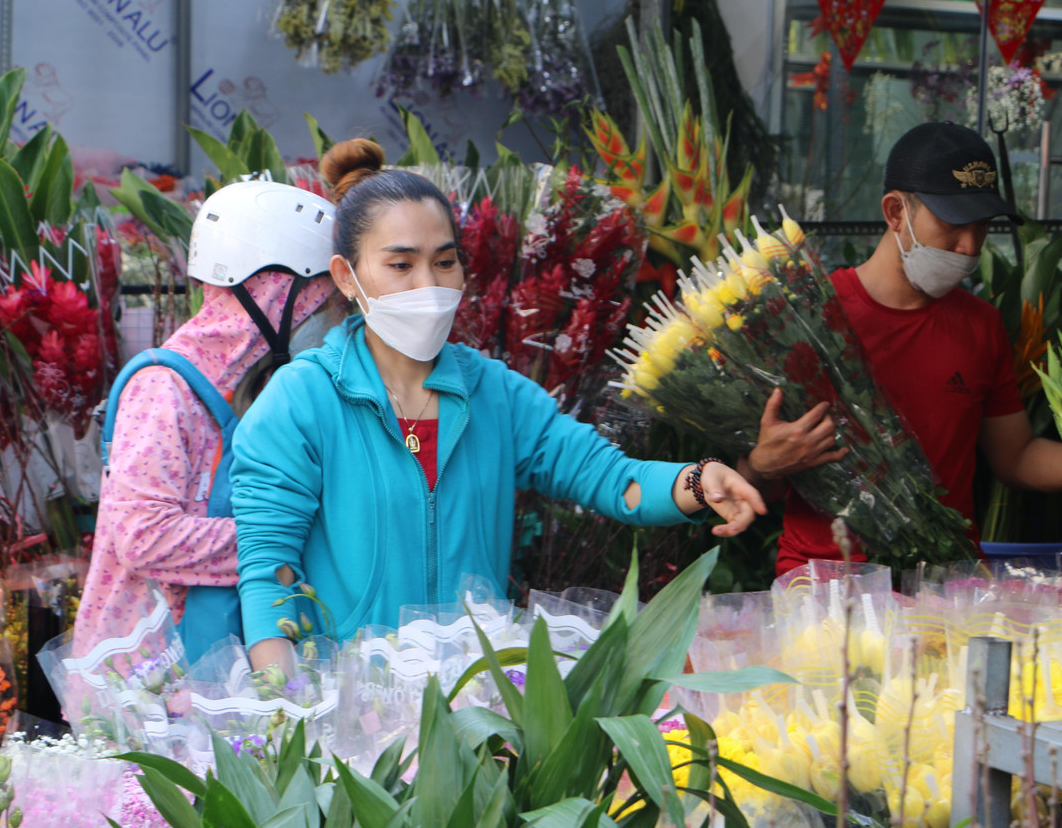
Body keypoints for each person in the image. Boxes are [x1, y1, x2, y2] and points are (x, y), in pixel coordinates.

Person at [232, 140, 766, 670]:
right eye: (401, 265)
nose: (429, 284)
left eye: (445, 262)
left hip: (479, 692)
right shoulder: (301, 401)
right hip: (357, 704)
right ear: (347, 277)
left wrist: (699, 481)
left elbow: (611, 479)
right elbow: (270, 574)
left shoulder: (495, 394)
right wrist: (284, 709)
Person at [736, 122, 1062, 576]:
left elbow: (1015, 456)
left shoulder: (982, 326)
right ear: (896, 212)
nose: (970, 246)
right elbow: (746, 480)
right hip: (824, 588)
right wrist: (764, 464)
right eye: (954, 223)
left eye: (983, 226)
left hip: (946, 584)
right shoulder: (804, 318)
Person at [75, 180, 345, 659]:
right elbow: (144, 535)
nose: (334, 324)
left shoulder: (262, 381)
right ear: (277, 297)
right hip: (149, 676)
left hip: (214, 660)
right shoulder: (165, 387)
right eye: (324, 305)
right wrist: (288, 541)